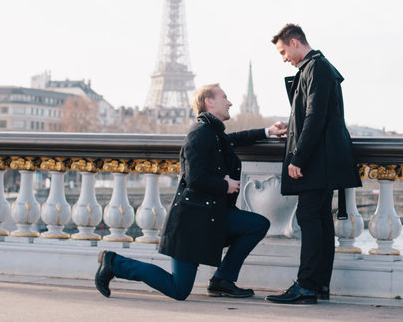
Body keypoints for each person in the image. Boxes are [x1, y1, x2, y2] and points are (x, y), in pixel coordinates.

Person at [95, 84, 286, 300]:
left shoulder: (213, 133)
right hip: (190, 224)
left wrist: (268, 131)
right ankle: (115, 263)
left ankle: (222, 280)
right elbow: (194, 178)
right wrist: (225, 185)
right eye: (225, 97)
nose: (230, 102)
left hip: (209, 217)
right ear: (209, 102)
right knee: (179, 289)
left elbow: (235, 139)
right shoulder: (199, 134)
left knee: (257, 224)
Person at [266, 24, 361, 304]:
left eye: (283, 51)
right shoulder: (318, 68)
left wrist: (298, 158)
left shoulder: (315, 69)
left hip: (316, 162)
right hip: (326, 160)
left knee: (310, 220)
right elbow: (313, 117)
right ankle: (318, 284)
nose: (284, 58)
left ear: (295, 43)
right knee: (320, 222)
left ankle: (306, 284)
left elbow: (314, 117)